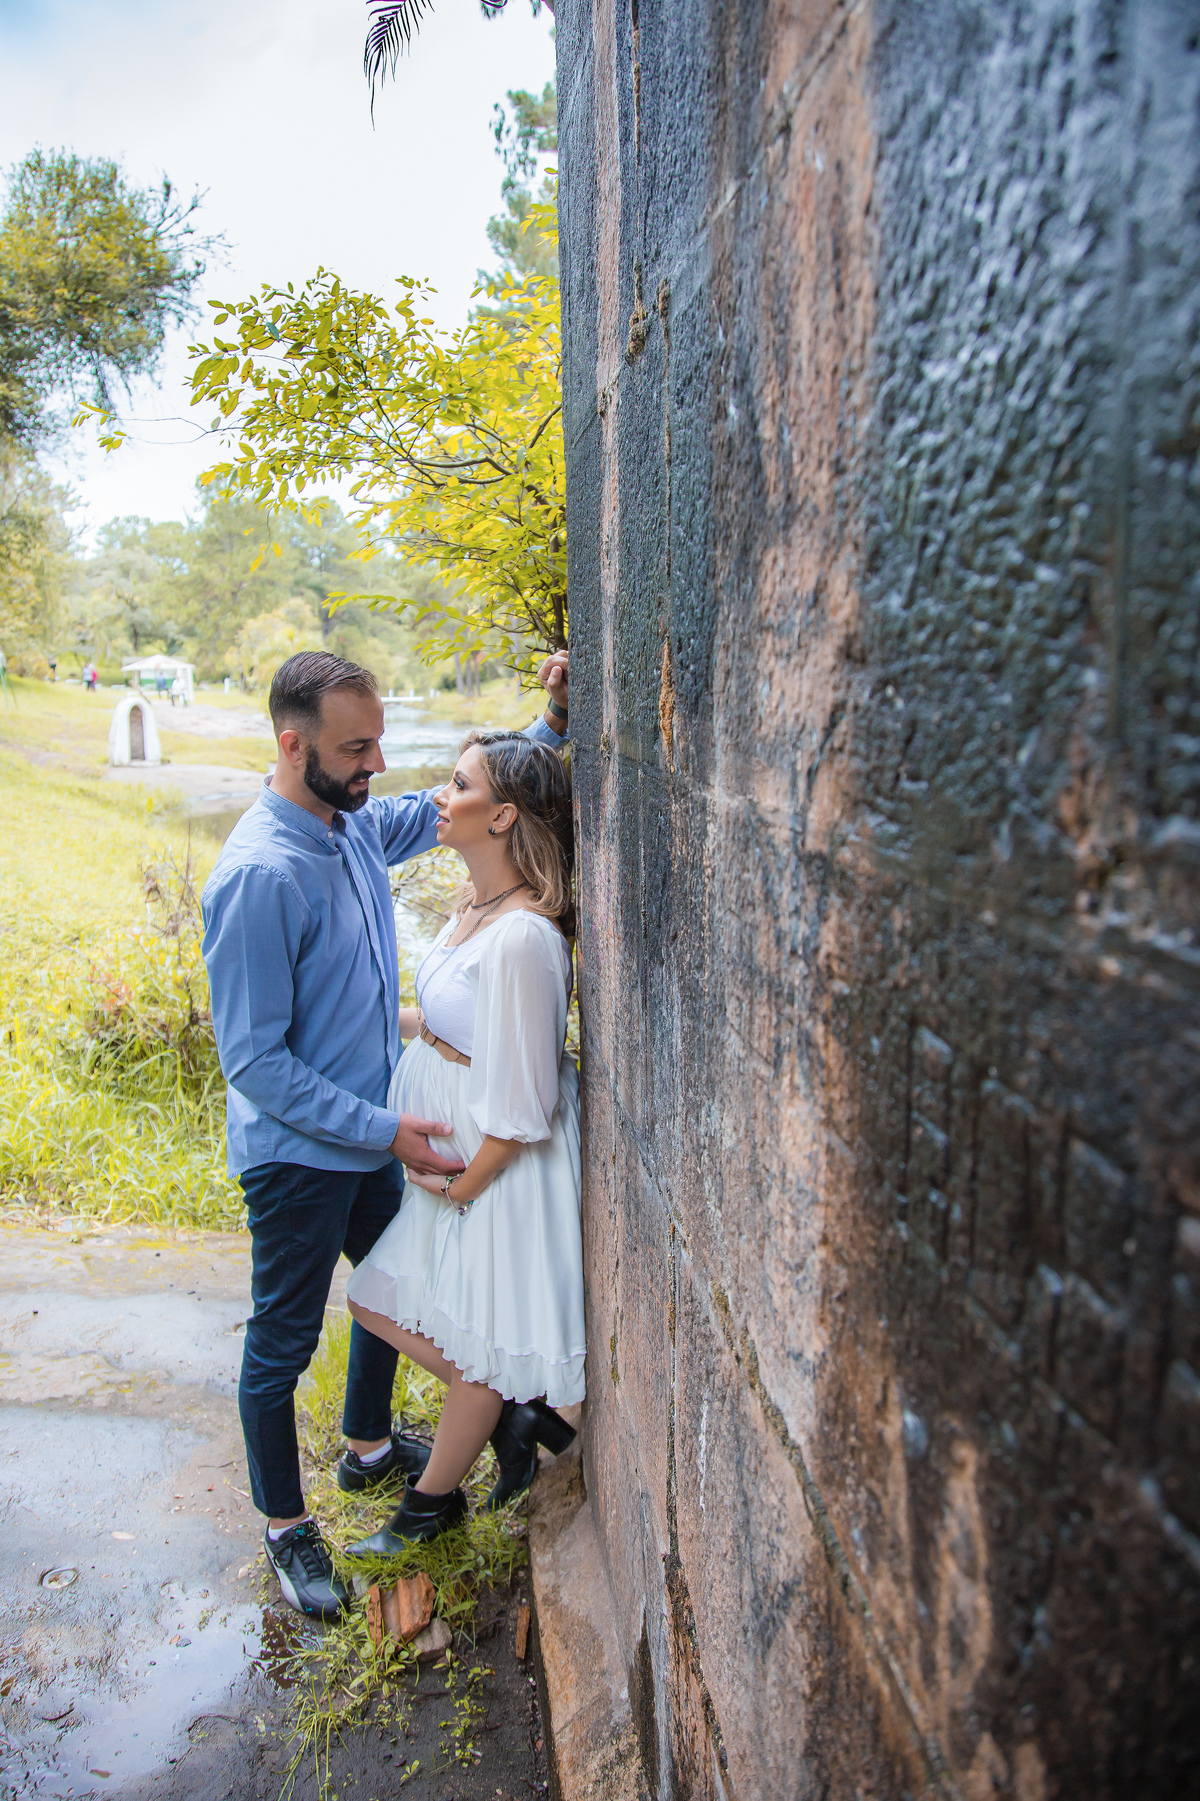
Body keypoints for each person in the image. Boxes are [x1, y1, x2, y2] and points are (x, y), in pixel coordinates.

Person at [201, 649, 568, 1621]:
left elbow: (470, 799)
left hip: (373, 1137)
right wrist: (389, 1130)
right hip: (299, 1156)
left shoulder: (353, 820)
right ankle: (286, 1529)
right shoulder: (257, 876)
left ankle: (371, 1449)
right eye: (355, 749)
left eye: (379, 746)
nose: (376, 769)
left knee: (406, 1284)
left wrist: (556, 721)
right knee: (280, 1343)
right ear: (293, 744)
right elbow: (256, 1065)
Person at [343, 731, 583, 1555]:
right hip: (451, 1163)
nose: (438, 797)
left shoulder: (524, 937)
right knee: (377, 1298)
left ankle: (428, 1506)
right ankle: (516, 1413)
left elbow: (524, 1105)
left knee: (469, 1339)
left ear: (504, 814)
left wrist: (458, 1187)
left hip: (495, 1168)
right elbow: (443, 1022)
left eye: (457, 783)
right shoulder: (469, 907)